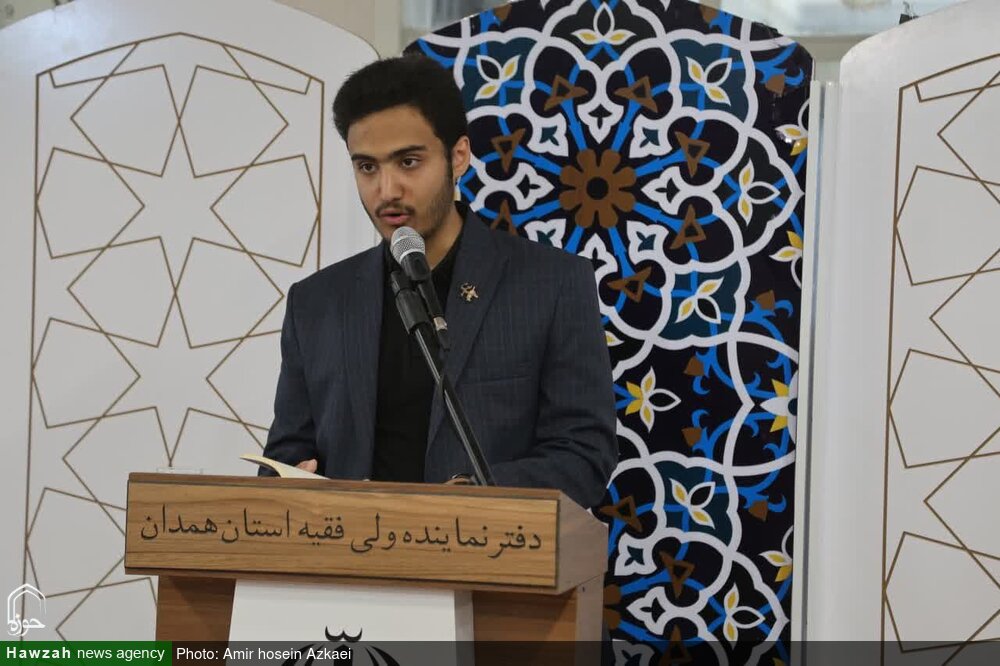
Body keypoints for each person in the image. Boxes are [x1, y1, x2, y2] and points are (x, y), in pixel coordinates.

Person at [260, 55, 616, 508]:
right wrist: (288, 483)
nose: (387, 190)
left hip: (488, 548)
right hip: (348, 550)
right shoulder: (316, 302)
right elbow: (284, 458)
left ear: (458, 155)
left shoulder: (551, 284)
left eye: (408, 162)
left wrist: (471, 495)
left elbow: (584, 456)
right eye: (367, 167)